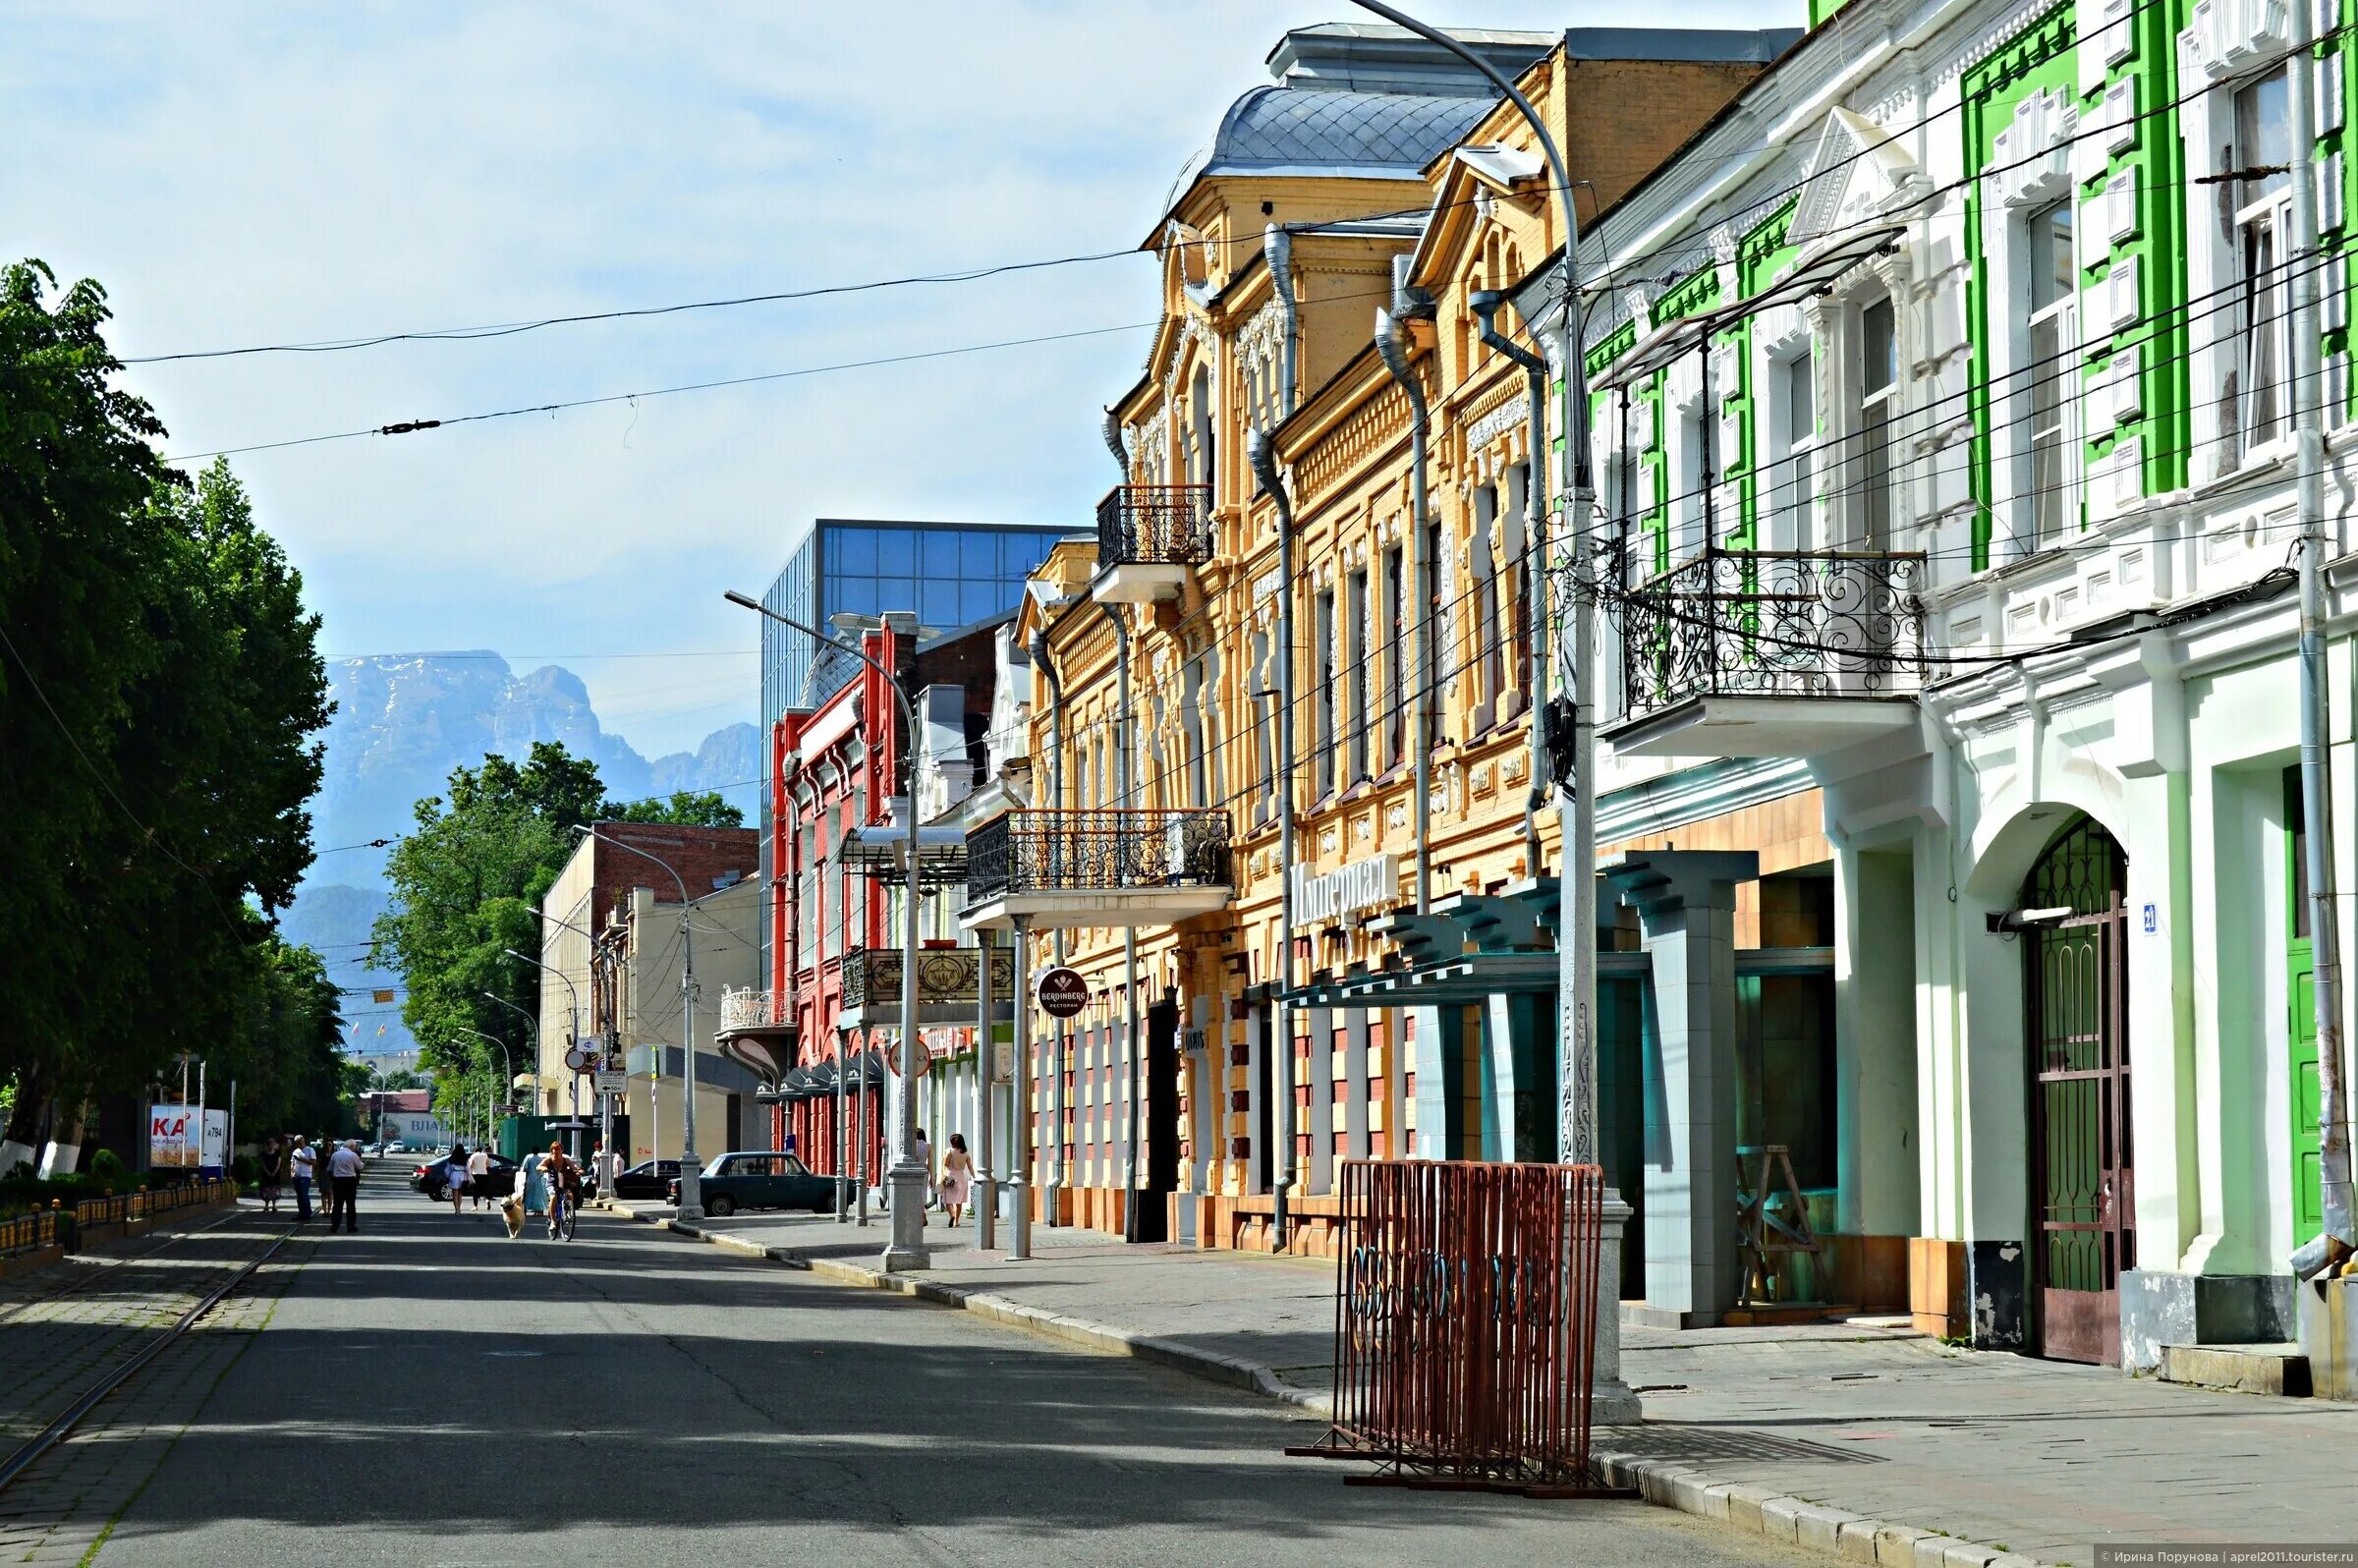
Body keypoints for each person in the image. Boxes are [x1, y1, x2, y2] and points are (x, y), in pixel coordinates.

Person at [544, 1141, 582, 1238]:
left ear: (561, 1150)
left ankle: (567, 1211)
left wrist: (578, 1171)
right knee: (553, 1197)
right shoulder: (549, 1160)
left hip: (563, 1183)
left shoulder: (566, 1160)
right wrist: (543, 1168)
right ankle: (553, 1221)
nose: (556, 1151)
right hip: (552, 1183)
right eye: (554, 1149)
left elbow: (574, 1169)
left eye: (558, 1149)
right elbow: (539, 1166)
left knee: (569, 1195)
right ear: (551, 1151)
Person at [326, 1139, 364, 1233]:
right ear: (351, 1147)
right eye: (354, 1147)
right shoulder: (353, 1155)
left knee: (337, 1205)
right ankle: (351, 1226)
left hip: (338, 1181)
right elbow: (360, 1167)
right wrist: (360, 1160)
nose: (355, 1149)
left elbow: (329, 1168)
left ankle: (335, 1226)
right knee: (350, 1205)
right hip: (350, 1181)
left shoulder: (335, 1155)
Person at [939, 1132, 973, 1229]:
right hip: (961, 1178)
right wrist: (974, 1176)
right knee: (958, 1201)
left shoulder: (949, 1151)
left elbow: (945, 1164)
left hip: (950, 1177)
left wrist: (943, 1172)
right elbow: (970, 1167)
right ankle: (957, 1222)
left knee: (947, 1200)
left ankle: (952, 1216)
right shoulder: (966, 1153)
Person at [288, 1136, 315, 1223]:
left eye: (299, 1142)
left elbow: (313, 1162)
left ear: (303, 1141)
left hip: (305, 1175)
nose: (298, 1144)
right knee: (299, 1196)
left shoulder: (309, 1150)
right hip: (297, 1176)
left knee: (304, 1194)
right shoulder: (295, 1151)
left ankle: (307, 1213)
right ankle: (301, 1214)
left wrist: (301, 1159)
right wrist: (292, 1174)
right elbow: (292, 1163)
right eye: (297, 1142)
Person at [257, 1137, 285, 1215]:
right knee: (266, 1189)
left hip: (275, 1174)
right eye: (269, 1145)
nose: (271, 1146)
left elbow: (278, 1164)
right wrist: (268, 1172)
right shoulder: (263, 1154)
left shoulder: (277, 1153)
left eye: (273, 1144)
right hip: (266, 1174)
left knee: (274, 1189)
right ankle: (266, 1205)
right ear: (267, 1145)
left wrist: (274, 1172)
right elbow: (262, 1164)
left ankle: (274, 1205)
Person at [911, 1127, 934, 1220]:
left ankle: (913, 1214)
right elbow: (931, 1163)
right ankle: (922, 1214)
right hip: (924, 1171)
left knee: (912, 1193)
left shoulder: (911, 1146)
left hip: (912, 1170)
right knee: (922, 1193)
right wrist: (932, 1177)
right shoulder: (928, 1146)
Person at [519, 1148, 549, 1215]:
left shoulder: (529, 1159)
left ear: (532, 1151)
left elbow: (525, 1169)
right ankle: (538, 1211)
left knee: (529, 1195)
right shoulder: (541, 1160)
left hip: (530, 1179)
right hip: (539, 1180)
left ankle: (530, 1209)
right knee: (538, 1195)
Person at [444, 1145, 471, 1216]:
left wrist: (448, 1176)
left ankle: (456, 1210)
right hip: (462, 1175)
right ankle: (459, 1208)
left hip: (454, 1174)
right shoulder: (465, 1158)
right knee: (460, 1194)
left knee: (455, 1194)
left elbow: (447, 1170)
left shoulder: (451, 1158)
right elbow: (468, 1169)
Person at [466, 1144, 491, 1209]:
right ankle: (487, 1200)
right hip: (484, 1174)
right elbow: (488, 1164)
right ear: (481, 1150)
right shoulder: (485, 1155)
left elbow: (471, 1165)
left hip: (476, 1175)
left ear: (475, 1151)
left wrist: (471, 1169)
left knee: (475, 1191)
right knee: (483, 1189)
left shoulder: (473, 1156)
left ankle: (475, 1206)